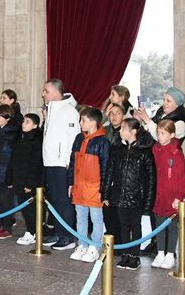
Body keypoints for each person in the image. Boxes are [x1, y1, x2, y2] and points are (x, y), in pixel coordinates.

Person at [102, 118, 156, 271]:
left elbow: (151, 178)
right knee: (123, 226)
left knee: (135, 226)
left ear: (133, 132)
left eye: (123, 129)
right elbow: (109, 173)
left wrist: (148, 201)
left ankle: (135, 255)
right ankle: (126, 254)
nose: (120, 131)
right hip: (119, 195)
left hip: (136, 196)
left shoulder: (144, 152)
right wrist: (105, 194)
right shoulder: (117, 149)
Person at [41, 78, 81, 251]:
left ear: (57, 92)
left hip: (61, 163)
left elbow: (72, 138)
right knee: (55, 200)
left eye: (46, 91)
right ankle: (58, 232)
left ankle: (68, 236)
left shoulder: (69, 111)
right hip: (51, 161)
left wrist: (68, 162)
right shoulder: (52, 109)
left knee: (64, 200)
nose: (43, 94)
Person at [67, 107, 110, 263]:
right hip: (79, 185)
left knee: (96, 218)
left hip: (94, 186)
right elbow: (73, 162)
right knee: (81, 217)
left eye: (83, 120)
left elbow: (105, 167)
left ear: (93, 122)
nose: (80, 123)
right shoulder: (79, 138)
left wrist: (103, 189)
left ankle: (95, 246)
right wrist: (70, 182)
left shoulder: (102, 141)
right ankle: (82, 244)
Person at [151, 119, 185, 270]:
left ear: (172, 134)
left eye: (163, 133)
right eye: (158, 133)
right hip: (159, 195)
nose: (159, 136)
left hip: (172, 197)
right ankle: (160, 252)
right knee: (159, 225)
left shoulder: (176, 154)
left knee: (172, 226)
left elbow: (182, 178)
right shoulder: (156, 150)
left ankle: (170, 253)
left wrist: (179, 196)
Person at [7, 113, 44, 246]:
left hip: (28, 181)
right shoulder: (20, 140)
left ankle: (33, 232)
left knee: (31, 209)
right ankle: (31, 230)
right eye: (24, 121)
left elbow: (35, 164)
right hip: (19, 179)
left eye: (27, 122)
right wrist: (10, 178)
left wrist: (31, 184)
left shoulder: (36, 142)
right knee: (24, 208)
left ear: (35, 125)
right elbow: (14, 161)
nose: (24, 124)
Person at [0, 104, 20, 239]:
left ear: (7, 117)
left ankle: (7, 227)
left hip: (7, 173)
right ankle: (0, 225)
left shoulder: (14, 134)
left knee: (7, 202)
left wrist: (12, 177)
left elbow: (15, 157)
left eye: (0, 116)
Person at [102, 103, 126, 243]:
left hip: (121, 177)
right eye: (111, 113)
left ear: (123, 115)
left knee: (120, 213)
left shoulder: (128, 131)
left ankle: (122, 241)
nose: (114, 116)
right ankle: (111, 238)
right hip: (107, 175)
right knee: (107, 210)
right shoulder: (104, 131)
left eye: (117, 113)